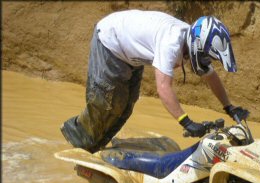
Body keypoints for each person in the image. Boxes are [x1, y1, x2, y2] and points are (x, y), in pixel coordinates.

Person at [60, 10, 249, 153]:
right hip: (110, 41)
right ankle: (77, 138)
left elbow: (211, 77)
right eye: (207, 57)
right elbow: (163, 88)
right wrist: (187, 123)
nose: (206, 62)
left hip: (130, 54)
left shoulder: (191, 39)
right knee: (107, 102)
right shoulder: (172, 43)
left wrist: (229, 107)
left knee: (125, 106)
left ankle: (95, 147)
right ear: (197, 47)